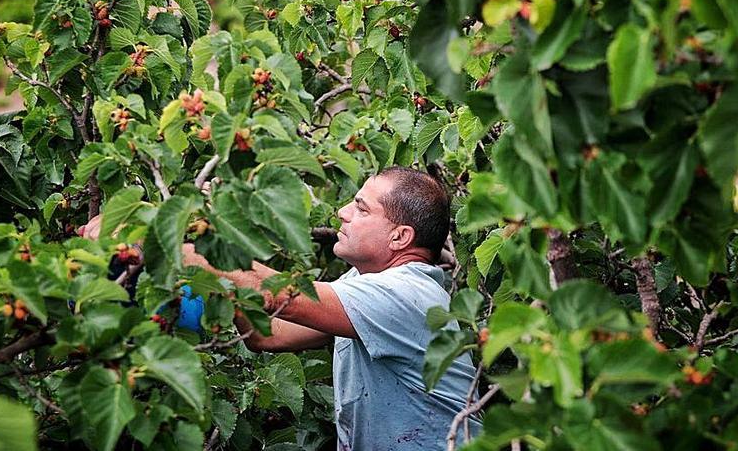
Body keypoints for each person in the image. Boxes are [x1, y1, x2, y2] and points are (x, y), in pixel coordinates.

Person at [81, 166, 482, 449]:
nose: (342, 212)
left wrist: (162, 237)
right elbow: (267, 334)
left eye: (361, 208)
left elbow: (277, 296)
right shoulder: (361, 283)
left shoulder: (408, 296)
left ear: (400, 236)